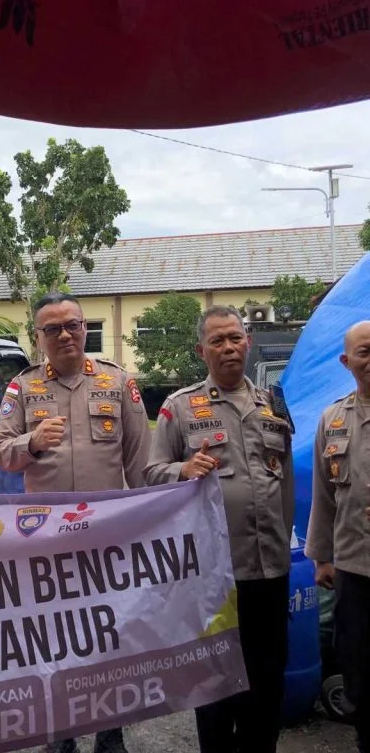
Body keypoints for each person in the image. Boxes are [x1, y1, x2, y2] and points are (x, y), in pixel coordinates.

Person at [0, 292, 150, 753]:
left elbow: (140, 464)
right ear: (37, 337)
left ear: (84, 329)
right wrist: (32, 442)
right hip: (46, 536)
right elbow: (3, 451)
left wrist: (149, 520)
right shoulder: (22, 389)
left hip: (108, 533)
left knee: (109, 630)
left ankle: (110, 728)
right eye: (53, 328)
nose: (65, 334)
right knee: (54, 633)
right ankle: (60, 731)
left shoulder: (119, 384)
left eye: (73, 325)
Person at [145, 305, 294, 753]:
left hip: (270, 569)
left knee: (267, 683)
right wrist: (183, 469)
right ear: (201, 350)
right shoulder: (180, 407)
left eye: (235, 338)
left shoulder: (274, 404)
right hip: (214, 577)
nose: (228, 347)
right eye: (217, 341)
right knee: (215, 686)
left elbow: (283, 478)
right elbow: (150, 473)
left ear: (248, 342)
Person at [306, 320, 370, 753]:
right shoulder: (332, 419)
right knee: (359, 668)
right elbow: (324, 496)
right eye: (364, 352)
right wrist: (322, 558)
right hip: (354, 567)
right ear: (347, 362)